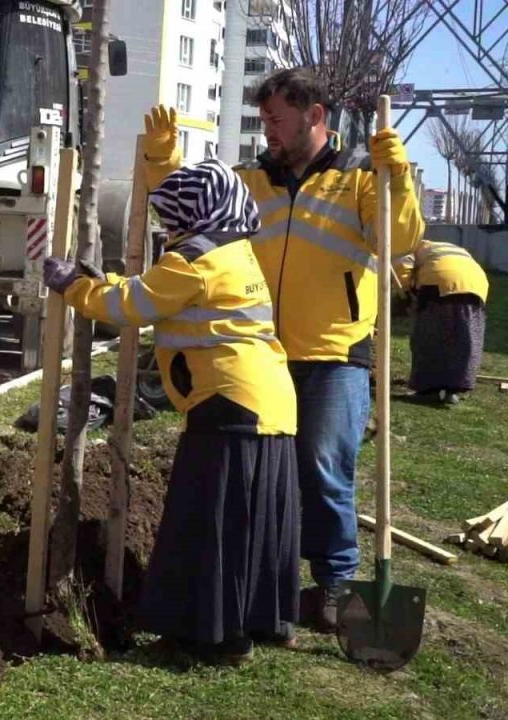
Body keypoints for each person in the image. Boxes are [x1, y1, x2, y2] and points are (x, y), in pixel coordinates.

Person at [140, 67, 425, 633]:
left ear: (314, 115)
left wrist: (397, 176)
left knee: (322, 467)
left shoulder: (359, 176)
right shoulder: (249, 178)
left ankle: (335, 582)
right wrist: (161, 162)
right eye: (263, 119)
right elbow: (185, 206)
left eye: (276, 119)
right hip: (259, 356)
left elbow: (400, 238)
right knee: (264, 476)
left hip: (335, 351)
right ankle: (266, 584)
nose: (267, 129)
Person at [43, 159, 301, 665]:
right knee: (252, 521)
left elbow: (130, 306)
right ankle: (254, 626)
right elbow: (153, 292)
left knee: (208, 521)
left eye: (173, 217)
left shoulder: (195, 261)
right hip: (268, 403)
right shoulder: (234, 251)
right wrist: (106, 279)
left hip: (229, 404)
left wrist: (74, 286)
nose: (169, 227)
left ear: (196, 212)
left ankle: (210, 640)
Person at [394, 240, 490, 404]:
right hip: (476, 285)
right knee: (464, 339)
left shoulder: (408, 247)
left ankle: (427, 390)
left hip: (439, 280)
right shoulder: (443, 248)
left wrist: (406, 293)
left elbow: (403, 268)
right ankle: (453, 390)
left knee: (429, 336)